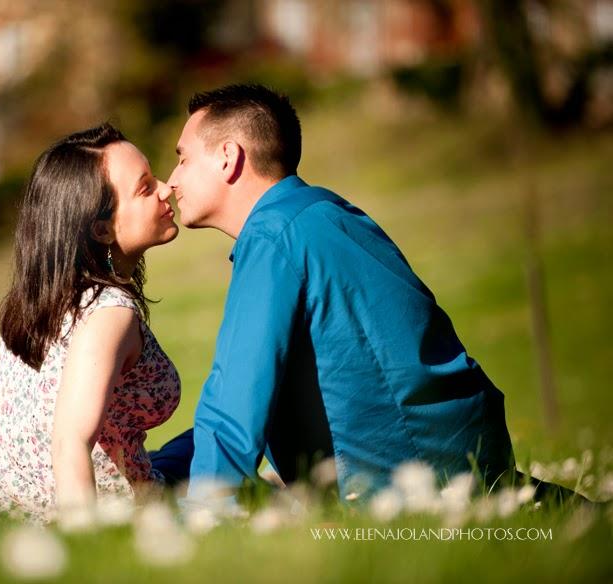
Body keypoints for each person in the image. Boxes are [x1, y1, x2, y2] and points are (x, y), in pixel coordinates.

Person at [167, 83, 525, 506]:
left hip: (405, 484)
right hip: (468, 457)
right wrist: (163, 465)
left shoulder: (272, 235)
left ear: (228, 157)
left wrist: (204, 511)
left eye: (183, 158)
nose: (171, 180)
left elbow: (235, 396)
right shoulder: (328, 214)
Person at [0, 124, 193, 523]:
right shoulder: (109, 314)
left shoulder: (36, 300)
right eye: (144, 188)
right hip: (97, 513)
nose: (166, 188)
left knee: (207, 437)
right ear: (100, 228)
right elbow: (69, 442)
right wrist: (86, 549)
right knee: (227, 436)